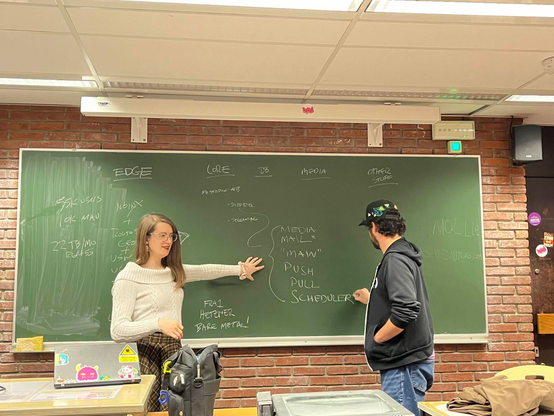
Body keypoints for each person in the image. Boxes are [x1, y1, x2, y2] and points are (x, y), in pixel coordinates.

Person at [110, 213, 264, 412]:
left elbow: (206, 270)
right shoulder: (128, 277)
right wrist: (158, 323)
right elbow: (117, 330)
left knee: (178, 407)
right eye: (162, 235)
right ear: (146, 238)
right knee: (148, 409)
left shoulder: (174, 272)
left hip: (174, 351)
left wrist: (241, 269)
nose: (168, 241)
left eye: (172, 236)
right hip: (143, 354)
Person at [354, 200, 434, 416]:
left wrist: (377, 338)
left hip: (402, 364)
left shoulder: (395, 260)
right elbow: (402, 301)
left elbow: (406, 309)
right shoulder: (404, 255)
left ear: (374, 227)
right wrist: (372, 300)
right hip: (408, 360)